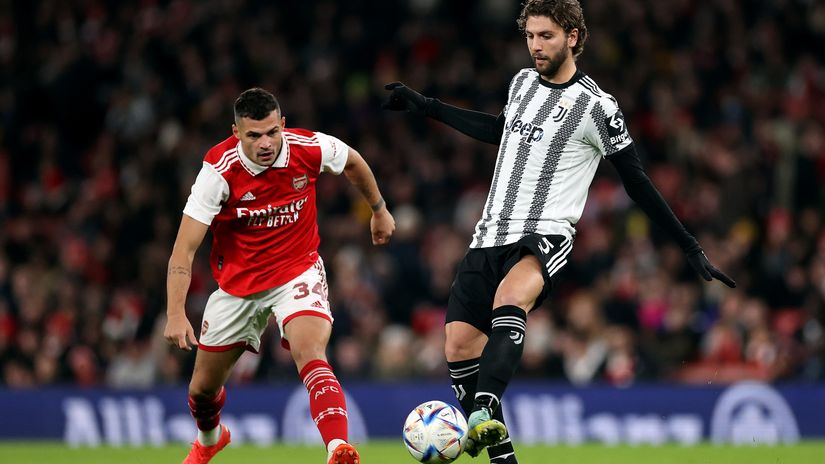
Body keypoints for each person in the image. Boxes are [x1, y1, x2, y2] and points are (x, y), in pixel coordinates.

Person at [383, 0, 735, 462]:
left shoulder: (597, 107)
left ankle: (484, 407)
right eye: (530, 36)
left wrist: (689, 244)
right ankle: (500, 453)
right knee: (458, 344)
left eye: (545, 36)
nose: (535, 46)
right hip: (489, 233)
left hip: (545, 233)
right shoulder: (522, 83)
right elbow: (501, 131)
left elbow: (637, 182)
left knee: (511, 299)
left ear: (573, 36)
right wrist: (427, 106)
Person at [164, 87, 395, 464]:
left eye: (273, 132)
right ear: (237, 133)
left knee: (311, 352)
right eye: (254, 135)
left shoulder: (308, 148)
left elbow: (353, 161)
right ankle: (210, 439)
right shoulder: (218, 172)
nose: (266, 143)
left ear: (283, 125)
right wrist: (175, 313)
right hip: (238, 287)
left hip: (297, 271)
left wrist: (379, 209)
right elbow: (183, 250)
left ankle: (338, 447)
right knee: (202, 392)